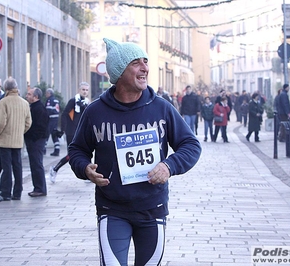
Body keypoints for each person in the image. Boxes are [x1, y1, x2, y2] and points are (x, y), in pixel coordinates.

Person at [68, 38, 201, 266]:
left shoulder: (162, 108)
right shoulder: (95, 112)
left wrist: (169, 166)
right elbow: (77, 149)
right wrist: (84, 168)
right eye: (136, 63)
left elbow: (191, 145)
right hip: (112, 208)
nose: (145, 68)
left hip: (152, 208)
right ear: (119, 72)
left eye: (145, 62)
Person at [0, 77, 31, 202]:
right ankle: (17, 192)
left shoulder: (4, 102)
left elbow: (0, 122)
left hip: (4, 140)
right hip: (18, 140)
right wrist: (20, 132)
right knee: (17, 166)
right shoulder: (24, 103)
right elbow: (28, 122)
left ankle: (5, 192)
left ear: (6, 88)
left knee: (6, 167)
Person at [49, 82, 90, 183]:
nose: (84, 92)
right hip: (72, 132)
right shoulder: (73, 101)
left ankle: (88, 173)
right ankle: (55, 169)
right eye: (83, 89)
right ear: (79, 90)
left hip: (82, 132)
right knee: (71, 155)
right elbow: (64, 115)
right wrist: (63, 130)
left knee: (87, 152)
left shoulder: (87, 102)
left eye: (86, 90)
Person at [25, 87, 49, 197]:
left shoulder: (39, 108)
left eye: (29, 94)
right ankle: (37, 187)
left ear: (36, 97)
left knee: (37, 164)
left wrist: (33, 138)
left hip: (36, 141)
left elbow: (41, 127)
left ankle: (40, 188)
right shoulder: (34, 107)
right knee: (34, 164)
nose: (27, 96)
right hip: (34, 140)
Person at [45, 88, 61, 156]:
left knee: (46, 133)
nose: (46, 95)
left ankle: (43, 149)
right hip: (56, 118)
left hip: (51, 118)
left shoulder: (49, 100)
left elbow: (47, 110)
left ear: (49, 93)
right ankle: (57, 150)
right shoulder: (56, 100)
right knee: (54, 134)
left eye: (46, 93)